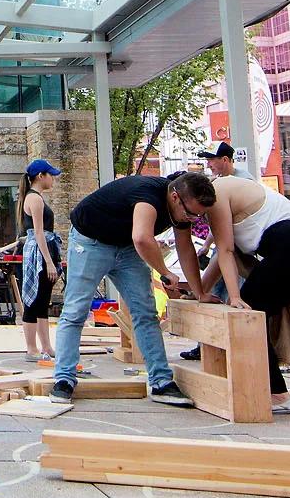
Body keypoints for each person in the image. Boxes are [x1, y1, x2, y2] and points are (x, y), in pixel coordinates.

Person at [50, 170, 219, 406]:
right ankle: (64, 379)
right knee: (75, 311)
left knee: (145, 313)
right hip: (91, 242)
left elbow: (185, 248)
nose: (192, 219)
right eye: (190, 214)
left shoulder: (182, 209)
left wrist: (199, 292)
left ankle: (161, 383)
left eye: (198, 217)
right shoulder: (148, 196)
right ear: (174, 197)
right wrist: (165, 272)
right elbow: (142, 238)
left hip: (126, 247)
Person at [208, 172, 290, 413]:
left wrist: (236, 298)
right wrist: (199, 291)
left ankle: (278, 393)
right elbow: (221, 255)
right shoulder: (236, 196)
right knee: (277, 320)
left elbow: (224, 252)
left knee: (251, 319)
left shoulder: (217, 194)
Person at [18, 159, 64, 365]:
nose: (52, 179)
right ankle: (31, 347)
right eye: (50, 175)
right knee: (34, 300)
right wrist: (49, 262)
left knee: (43, 299)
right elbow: (38, 233)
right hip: (39, 253)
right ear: (40, 176)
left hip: (46, 249)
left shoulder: (37, 198)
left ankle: (46, 346)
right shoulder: (34, 199)